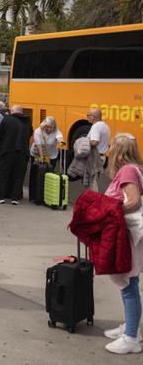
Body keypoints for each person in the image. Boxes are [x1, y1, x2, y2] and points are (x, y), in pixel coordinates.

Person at [99, 134, 143, 354]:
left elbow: (133, 202)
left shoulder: (127, 171)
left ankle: (131, 337)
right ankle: (131, 327)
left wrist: (111, 212)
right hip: (129, 233)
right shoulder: (135, 168)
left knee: (127, 282)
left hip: (128, 234)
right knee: (128, 281)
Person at [0, 105, 33, 205]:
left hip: (7, 151)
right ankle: (15, 198)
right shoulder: (28, 122)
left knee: (3, 174)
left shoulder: (7, 119)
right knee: (19, 176)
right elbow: (30, 134)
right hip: (23, 153)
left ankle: (0, 196)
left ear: (13, 111)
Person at [88, 108, 112, 191]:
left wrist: (84, 142)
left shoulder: (96, 126)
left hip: (95, 157)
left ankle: (94, 200)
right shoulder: (105, 126)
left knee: (91, 181)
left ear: (93, 117)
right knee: (93, 180)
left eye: (89, 115)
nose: (87, 117)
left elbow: (94, 142)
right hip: (102, 157)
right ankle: (93, 199)